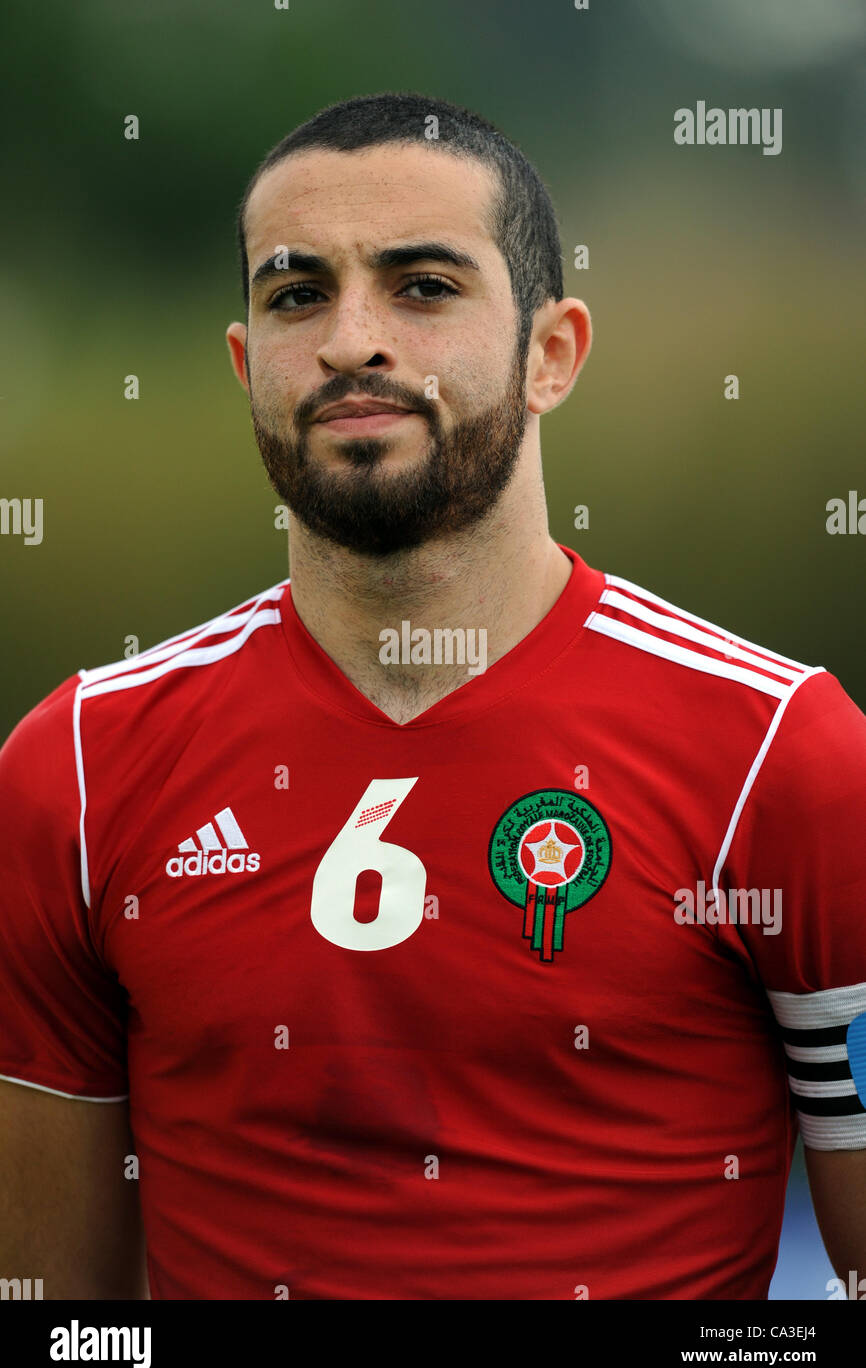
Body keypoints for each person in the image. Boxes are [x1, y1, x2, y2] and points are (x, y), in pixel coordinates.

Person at [1, 92, 865, 1301]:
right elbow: (60, 1319)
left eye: (422, 286)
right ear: (248, 364)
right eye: (298, 294)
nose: (352, 338)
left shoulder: (785, 755)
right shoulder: (76, 769)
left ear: (550, 354)